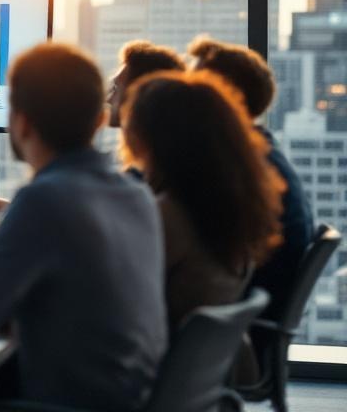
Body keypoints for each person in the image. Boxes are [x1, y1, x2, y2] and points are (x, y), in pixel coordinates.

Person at [0, 43, 167, 411]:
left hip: (70, 403)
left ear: (21, 122)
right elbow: (65, 293)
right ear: (96, 122)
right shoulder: (133, 193)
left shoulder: (45, 199)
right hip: (126, 396)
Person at [0, 39, 186, 242]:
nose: (109, 100)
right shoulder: (137, 186)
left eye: (117, 89)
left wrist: (7, 226)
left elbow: (68, 238)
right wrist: (10, 214)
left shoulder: (147, 190)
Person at [120, 70, 283, 329]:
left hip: (146, 360)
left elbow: (116, 299)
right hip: (193, 364)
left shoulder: (169, 218)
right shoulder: (234, 207)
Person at [188, 36, 314, 318]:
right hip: (245, 315)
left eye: (196, 88)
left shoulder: (239, 168)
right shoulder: (261, 153)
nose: (186, 97)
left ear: (226, 97)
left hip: (237, 322)